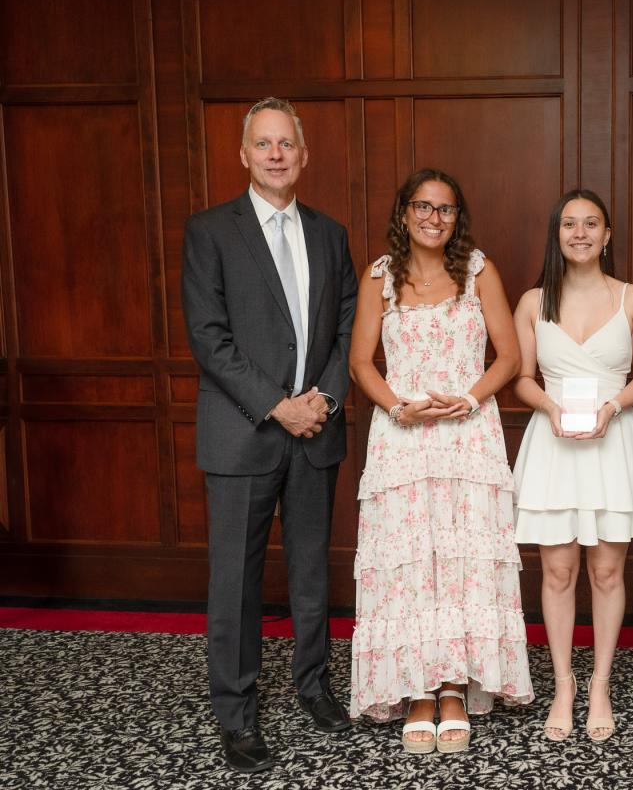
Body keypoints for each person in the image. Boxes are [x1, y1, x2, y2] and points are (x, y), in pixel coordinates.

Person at [182, 97, 358, 774]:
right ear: (245, 155)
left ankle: (314, 687)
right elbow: (208, 336)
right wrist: (277, 405)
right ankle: (236, 714)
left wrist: (325, 398)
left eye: (287, 143)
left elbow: (348, 326)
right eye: (264, 144)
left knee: (312, 572)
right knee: (236, 581)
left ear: (304, 155)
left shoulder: (329, 233)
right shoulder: (209, 231)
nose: (277, 154)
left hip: (317, 429)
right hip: (243, 434)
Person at [347, 168, 533, 754]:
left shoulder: (479, 270)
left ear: (458, 218)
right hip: (401, 438)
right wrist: (398, 406)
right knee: (411, 567)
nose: (435, 218)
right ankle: (416, 692)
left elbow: (509, 356)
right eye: (424, 207)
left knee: (459, 566)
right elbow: (360, 363)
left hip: (466, 436)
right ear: (404, 213)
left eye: (446, 209)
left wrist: (472, 398)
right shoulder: (379, 276)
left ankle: (452, 689)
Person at [511, 189, 633, 742]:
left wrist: (612, 406)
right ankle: (563, 684)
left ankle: (599, 682)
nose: (580, 233)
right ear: (557, 235)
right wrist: (550, 407)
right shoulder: (533, 301)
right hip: (553, 442)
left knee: (605, 571)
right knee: (557, 572)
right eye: (569, 224)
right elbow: (522, 376)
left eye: (591, 223)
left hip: (612, 439)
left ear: (607, 235)